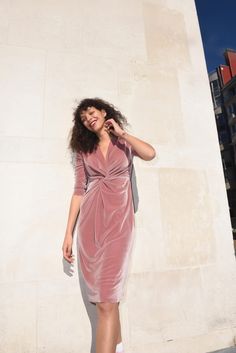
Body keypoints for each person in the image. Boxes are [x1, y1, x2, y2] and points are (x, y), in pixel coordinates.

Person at [62, 97, 156, 353]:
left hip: (119, 224)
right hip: (91, 224)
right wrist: (68, 233)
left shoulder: (123, 142)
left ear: (103, 113)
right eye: (83, 119)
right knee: (107, 301)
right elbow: (79, 190)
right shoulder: (84, 150)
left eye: (91, 113)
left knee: (105, 300)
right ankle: (119, 348)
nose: (88, 119)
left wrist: (122, 134)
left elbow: (150, 154)